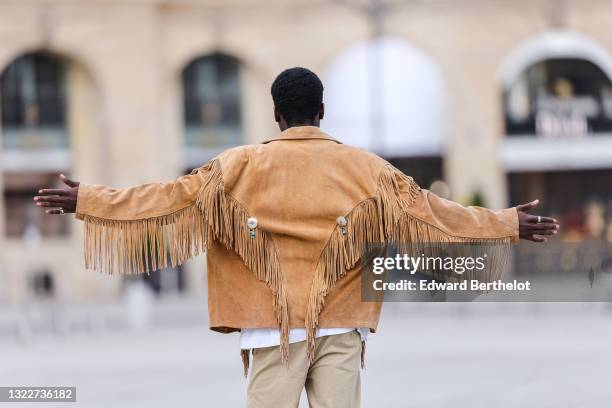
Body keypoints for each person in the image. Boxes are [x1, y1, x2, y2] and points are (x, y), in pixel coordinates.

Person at [33, 67, 559, 408]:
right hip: (342, 324)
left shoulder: (237, 166)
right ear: (323, 112)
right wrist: (508, 223)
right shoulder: (367, 169)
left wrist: (89, 200)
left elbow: (166, 199)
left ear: (277, 115)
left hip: (271, 329)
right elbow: (436, 214)